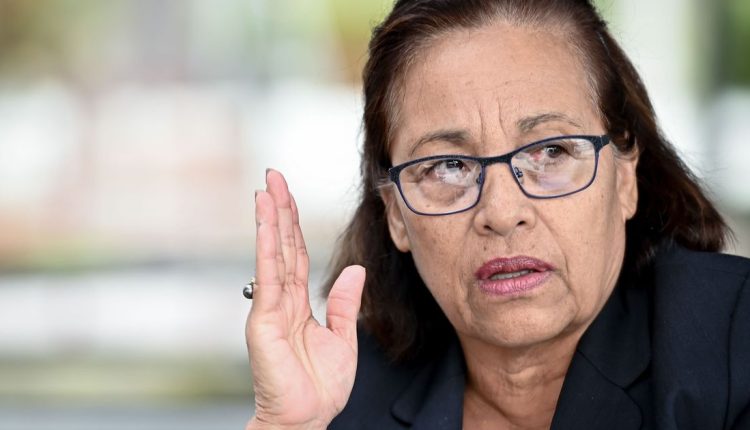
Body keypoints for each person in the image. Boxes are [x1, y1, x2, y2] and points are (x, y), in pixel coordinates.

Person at [244, 0, 750, 429]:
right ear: (395, 214)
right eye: (448, 166)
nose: (503, 213)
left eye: (551, 151)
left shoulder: (732, 344)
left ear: (624, 179)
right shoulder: (343, 396)